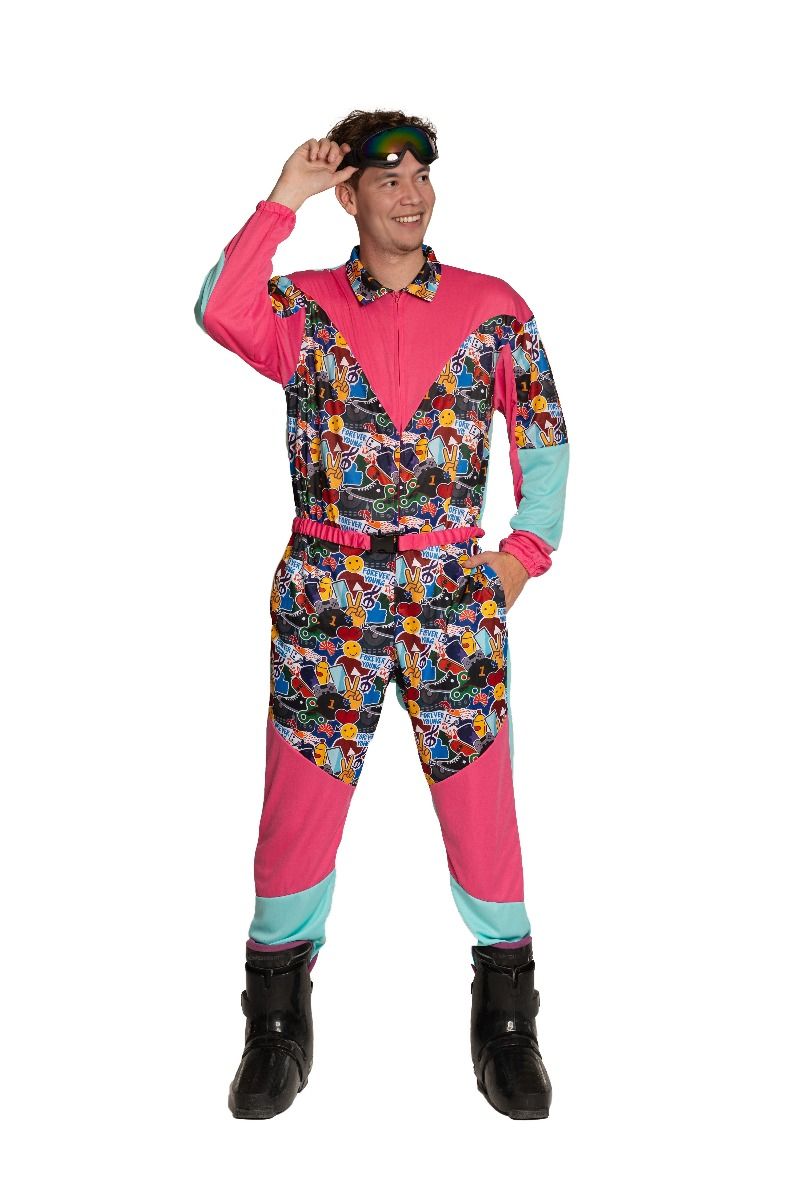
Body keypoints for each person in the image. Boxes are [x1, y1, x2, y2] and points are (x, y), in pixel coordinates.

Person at [194, 110, 570, 1121]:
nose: (411, 195)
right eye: (387, 179)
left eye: (420, 177)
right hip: (328, 588)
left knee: (480, 799)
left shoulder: (493, 308)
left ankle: (507, 1022)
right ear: (350, 197)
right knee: (299, 804)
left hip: (451, 592)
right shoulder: (301, 308)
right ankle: (275, 1024)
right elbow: (218, 307)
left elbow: (542, 436)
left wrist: (523, 554)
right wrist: (284, 197)